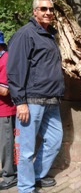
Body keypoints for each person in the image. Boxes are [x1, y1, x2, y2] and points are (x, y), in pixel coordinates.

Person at [7, 0, 65, 193]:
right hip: (31, 101)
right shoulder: (25, 34)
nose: (48, 12)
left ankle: (35, 175)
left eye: (50, 9)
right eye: (43, 9)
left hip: (51, 100)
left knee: (55, 140)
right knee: (26, 149)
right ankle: (25, 187)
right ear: (35, 11)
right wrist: (20, 101)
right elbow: (14, 70)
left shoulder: (49, 34)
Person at [0, 31, 17, 190]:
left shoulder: (6, 60)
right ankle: (9, 169)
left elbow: (5, 90)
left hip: (6, 110)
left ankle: (10, 175)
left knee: (7, 144)